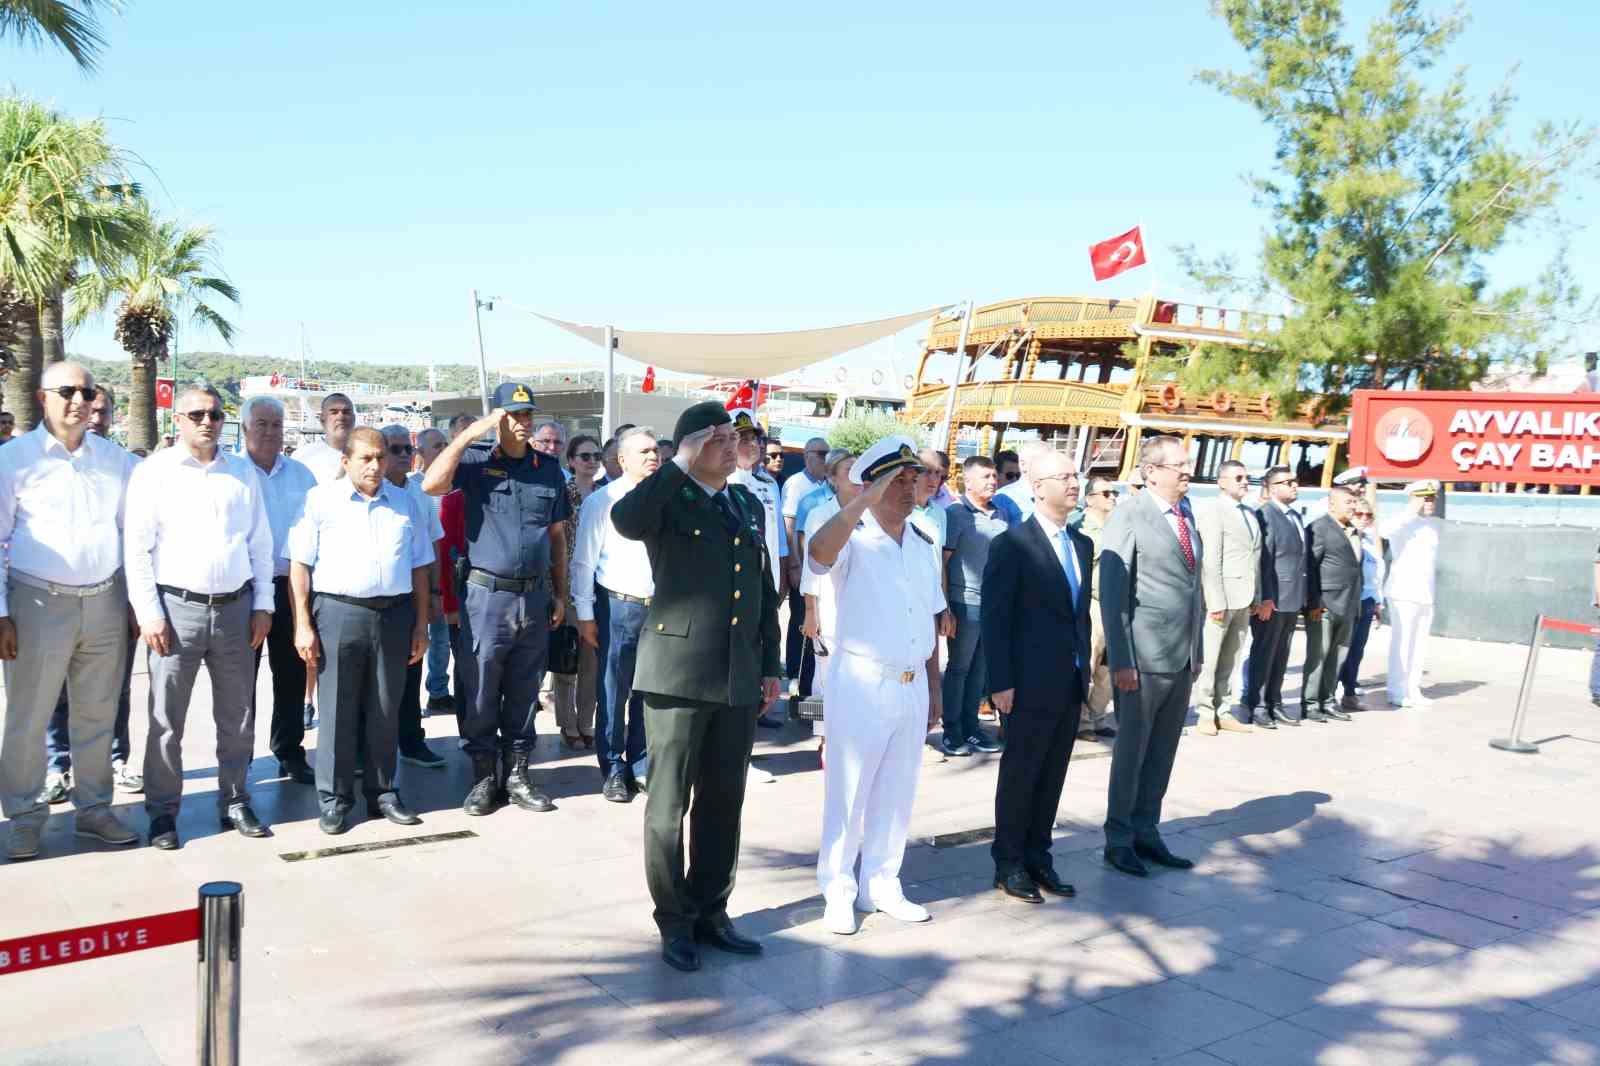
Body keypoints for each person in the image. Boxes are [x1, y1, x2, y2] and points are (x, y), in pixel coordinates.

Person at [610, 401, 782, 973]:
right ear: (689, 448)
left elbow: (762, 593)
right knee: (668, 806)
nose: (734, 447)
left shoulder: (744, 501)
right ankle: (674, 917)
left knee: (723, 800)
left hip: (735, 674)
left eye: (736, 438)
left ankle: (712, 908)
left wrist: (771, 665)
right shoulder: (668, 497)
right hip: (678, 674)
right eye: (719, 440)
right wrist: (676, 464)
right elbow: (627, 521)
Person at [0, 363, 140, 861]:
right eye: (67, 391)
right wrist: (1, 613)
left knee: (98, 713)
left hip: (104, 600)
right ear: (43, 398)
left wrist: (134, 603)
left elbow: (134, 536)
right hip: (36, 602)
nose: (78, 400)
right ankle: (23, 815)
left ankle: (95, 809)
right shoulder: (13, 460)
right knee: (27, 715)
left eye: (86, 391)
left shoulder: (116, 460)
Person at [125, 385, 275, 850]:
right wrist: (149, 614)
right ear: (177, 419)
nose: (207, 422)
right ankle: (163, 813)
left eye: (214, 414)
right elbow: (137, 550)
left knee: (239, 715)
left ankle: (234, 799)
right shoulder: (154, 473)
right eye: (196, 415)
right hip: (176, 611)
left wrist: (264, 605)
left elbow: (260, 545)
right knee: (166, 719)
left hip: (234, 609)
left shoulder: (242, 475)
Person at [808, 436, 946, 934]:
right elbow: (818, 554)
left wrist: (934, 688)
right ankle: (839, 890)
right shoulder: (852, 536)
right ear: (872, 486)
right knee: (849, 793)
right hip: (863, 680)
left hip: (910, 681)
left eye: (914, 479)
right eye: (897, 481)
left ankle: (882, 883)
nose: (910, 489)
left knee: (897, 791)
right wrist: (861, 502)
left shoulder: (923, 540)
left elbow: (929, 618)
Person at [422, 383, 569, 815]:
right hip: (486, 597)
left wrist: (558, 593)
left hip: (534, 597)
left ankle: (520, 775)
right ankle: (484, 777)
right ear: (498, 418)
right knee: (481, 689)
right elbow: (432, 484)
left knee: (525, 689)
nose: (523, 422)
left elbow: (556, 535)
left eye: (527, 415)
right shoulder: (475, 460)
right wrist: (470, 434)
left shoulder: (548, 467)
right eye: (514, 414)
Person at [289, 427, 433, 834]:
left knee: (387, 707)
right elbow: (300, 565)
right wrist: (302, 622)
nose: (375, 466)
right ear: (346, 460)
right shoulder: (320, 501)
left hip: (394, 615)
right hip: (339, 613)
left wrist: (421, 623)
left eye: (381, 457)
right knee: (337, 709)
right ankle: (334, 799)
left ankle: (383, 792)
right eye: (366, 458)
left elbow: (421, 567)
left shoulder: (406, 504)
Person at [983, 450, 1092, 903]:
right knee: (1022, 772)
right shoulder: (1012, 544)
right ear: (1037, 486)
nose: (1073, 483)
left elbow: (1078, 616)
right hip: (1025, 682)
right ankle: (1009, 863)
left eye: (1075, 475)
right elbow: (996, 617)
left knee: (1053, 772)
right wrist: (1000, 682)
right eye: (1063, 476)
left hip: (1068, 679)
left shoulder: (1082, 544)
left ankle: (1038, 855)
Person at [1098, 435, 1204, 878]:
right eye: (1177, 465)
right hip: (1142, 658)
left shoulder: (1186, 512)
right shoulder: (1130, 514)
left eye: (1187, 464)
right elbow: (1113, 592)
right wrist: (1121, 658)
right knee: (1132, 753)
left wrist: (1197, 649)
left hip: (1181, 658)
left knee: (1162, 752)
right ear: (1150, 471)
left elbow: (1193, 588)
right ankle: (1118, 838)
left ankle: (1147, 830)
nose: (1186, 471)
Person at [41, 382, 142, 803]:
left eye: (103, 411)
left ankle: (116, 759)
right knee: (56, 687)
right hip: (55, 595)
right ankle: (56, 767)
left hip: (114, 593)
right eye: (90, 409)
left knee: (116, 686)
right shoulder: (45, 463)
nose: (95, 417)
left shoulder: (126, 466)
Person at [571, 427, 659, 802]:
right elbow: (583, 562)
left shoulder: (667, 498)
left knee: (648, 691)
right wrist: (585, 614)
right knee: (613, 692)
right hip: (617, 605)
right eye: (644, 451)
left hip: (659, 608)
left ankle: (640, 763)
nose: (653, 457)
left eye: (656, 451)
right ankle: (612, 767)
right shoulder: (602, 501)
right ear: (622, 459)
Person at [240, 396, 319, 785]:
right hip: (245, 590)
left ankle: (289, 751)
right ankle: (240, 760)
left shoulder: (302, 475)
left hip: (291, 587)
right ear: (244, 429)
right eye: (261, 424)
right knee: (241, 680)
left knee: (290, 674)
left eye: (276, 424)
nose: (270, 432)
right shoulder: (232, 473)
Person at [940, 455, 1016, 756]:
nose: (992, 481)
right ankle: (952, 732)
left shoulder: (1001, 514)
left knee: (981, 671)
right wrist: (945, 607)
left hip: (994, 606)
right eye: (985, 476)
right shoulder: (956, 513)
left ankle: (973, 729)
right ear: (967, 481)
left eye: (994, 476)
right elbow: (943, 564)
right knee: (959, 669)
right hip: (964, 601)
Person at [382, 425, 447, 769]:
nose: (404, 455)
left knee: (411, 672)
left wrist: (435, 593)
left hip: (412, 597)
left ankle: (411, 741)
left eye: (407, 449)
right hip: (375, 599)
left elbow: (433, 547)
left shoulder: (420, 494)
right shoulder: (369, 491)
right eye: (396, 449)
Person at [728, 411, 787, 729]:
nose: (752, 444)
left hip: (764, 587)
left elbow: (775, 542)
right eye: (743, 438)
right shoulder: (726, 485)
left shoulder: (766, 485)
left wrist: (777, 583)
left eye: (755, 438)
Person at [1193, 460, 1260, 735]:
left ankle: (1224, 709)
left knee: (1231, 657)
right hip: (1222, 597)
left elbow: (1255, 559)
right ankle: (1205, 712)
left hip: (1244, 597)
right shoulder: (1213, 511)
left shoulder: (1250, 514)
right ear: (1221, 482)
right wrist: (1216, 600)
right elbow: (1211, 559)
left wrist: (1258, 595)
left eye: (1246, 477)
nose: (1245, 481)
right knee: (1210, 658)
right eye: (1238, 477)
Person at [799, 449, 858, 760]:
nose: (854, 474)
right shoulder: (820, 514)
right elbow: (812, 567)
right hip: (829, 606)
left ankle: (850, 734)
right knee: (827, 675)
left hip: (860, 611)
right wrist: (811, 612)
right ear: (833, 479)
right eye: (847, 469)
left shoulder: (870, 512)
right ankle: (825, 740)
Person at [1243, 466, 1309, 729]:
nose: (1295, 485)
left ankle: (1274, 702)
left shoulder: (1295, 517)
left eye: (1295, 481)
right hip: (1274, 598)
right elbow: (1264, 559)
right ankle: (1256, 704)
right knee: (1264, 653)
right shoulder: (1265, 515)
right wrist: (1266, 597)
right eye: (1288, 482)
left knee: (1281, 654)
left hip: (1292, 597)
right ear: (1272, 488)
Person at [553, 434, 603, 748]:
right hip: (567, 586)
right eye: (585, 456)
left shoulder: (605, 494)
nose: (592, 461)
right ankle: (567, 724)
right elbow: (554, 543)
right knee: (566, 661)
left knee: (591, 664)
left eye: (596, 456)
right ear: (571, 460)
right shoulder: (562, 493)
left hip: (598, 586)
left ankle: (586, 722)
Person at [1302, 485, 1363, 724]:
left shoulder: (1354, 531)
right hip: (1325, 604)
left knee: (1338, 656)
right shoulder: (1319, 528)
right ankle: (1310, 703)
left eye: (1354, 502)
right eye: (1348, 502)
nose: (1353, 506)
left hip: (1348, 603)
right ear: (1331, 504)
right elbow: (1310, 567)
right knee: (1319, 655)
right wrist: (1314, 601)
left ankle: (1327, 700)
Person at [1383, 481, 1442, 708]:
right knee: (1403, 643)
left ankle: (1412, 689)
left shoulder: (1430, 526)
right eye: (1425, 498)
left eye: (1432, 498)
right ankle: (1397, 690)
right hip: (1404, 592)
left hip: (1425, 593)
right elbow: (1386, 530)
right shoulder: (1403, 521)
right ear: (1414, 498)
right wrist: (1411, 509)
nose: (1430, 502)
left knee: (1419, 644)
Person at [1069, 476, 1119, 741]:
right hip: (1093, 604)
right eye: (1107, 493)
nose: (1113, 497)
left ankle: (1098, 717)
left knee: (1108, 667)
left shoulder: (1118, 526)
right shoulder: (1080, 528)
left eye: (1114, 493)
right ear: (1090, 499)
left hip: (1116, 605)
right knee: (1088, 663)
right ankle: (1081, 721)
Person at [782, 437, 831, 694]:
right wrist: (794, 563)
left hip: (825, 574)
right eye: (821, 453)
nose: (825, 458)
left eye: (827, 454)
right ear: (807, 456)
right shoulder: (797, 484)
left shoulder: (824, 486)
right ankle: (795, 675)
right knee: (801, 622)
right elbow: (790, 528)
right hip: (803, 567)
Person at [412, 427, 454, 714]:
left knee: (442, 637)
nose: (442, 450)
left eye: (445, 445)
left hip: (447, 571)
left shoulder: (455, 483)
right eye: (436, 446)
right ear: (421, 454)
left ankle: (438, 690)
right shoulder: (412, 487)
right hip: (416, 574)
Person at [1338, 497, 1385, 712]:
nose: (1365, 519)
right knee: (1342, 650)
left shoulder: (1368, 541)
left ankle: (1349, 692)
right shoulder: (1346, 537)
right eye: (1360, 514)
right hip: (1349, 601)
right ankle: (1333, 692)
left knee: (1357, 651)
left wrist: (1378, 602)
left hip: (1366, 600)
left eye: (1369, 516)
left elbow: (1375, 575)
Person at [291, 392, 357, 483]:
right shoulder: (302, 456)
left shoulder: (371, 456)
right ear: (322, 420)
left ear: (354, 418)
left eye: (346, 412)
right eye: (334, 412)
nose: (341, 417)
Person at [996, 441, 1049, 520]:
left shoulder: (1058, 493)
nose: (1014, 479)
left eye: (1017, 475)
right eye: (1010, 475)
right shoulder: (1001, 498)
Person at [911, 449, 950, 552]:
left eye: (937, 473)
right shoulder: (898, 509)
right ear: (913, 473)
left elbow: (938, 555)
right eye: (927, 472)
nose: (933, 479)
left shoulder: (940, 513)